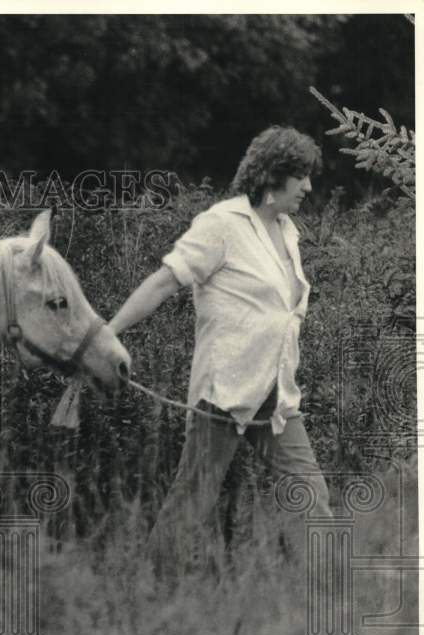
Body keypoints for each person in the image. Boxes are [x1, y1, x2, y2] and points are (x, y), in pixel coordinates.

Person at [108, 126, 332, 574]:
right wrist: (110, 331)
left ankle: (326, 597)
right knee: (193, 498)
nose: (308, 186)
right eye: (301, 176)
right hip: (226, 391)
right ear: (274, 176)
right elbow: (165, 281)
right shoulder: (222, 225)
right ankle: (147, 590)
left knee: (310, 495)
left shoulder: (288, 231)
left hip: (277, 395)